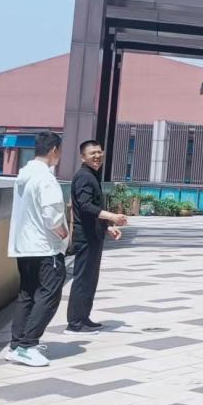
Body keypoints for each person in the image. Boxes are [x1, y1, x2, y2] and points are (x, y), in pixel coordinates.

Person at [6, 131, 70, 367]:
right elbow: (52, 215)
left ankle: (16, 345)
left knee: (27, 294)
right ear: (54, 150)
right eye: (59, 151)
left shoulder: (24, 175)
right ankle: (27, 345)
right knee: (49, 294)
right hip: (45, 248)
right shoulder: (46, 178)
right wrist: (63, 234)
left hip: (24, 247)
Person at [66, 139, 128, 332]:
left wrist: (107, 227)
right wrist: (112, 217)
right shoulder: (84, 177)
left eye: (99, 152)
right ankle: (75, 323)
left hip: (93, 235)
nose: (97, 156)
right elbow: (85, 206)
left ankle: (83, 318)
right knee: (83, 279)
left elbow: (91, 211)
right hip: (85, 237)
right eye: (92, 153)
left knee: (90, 279)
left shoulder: (91, 175)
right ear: (82, 157)